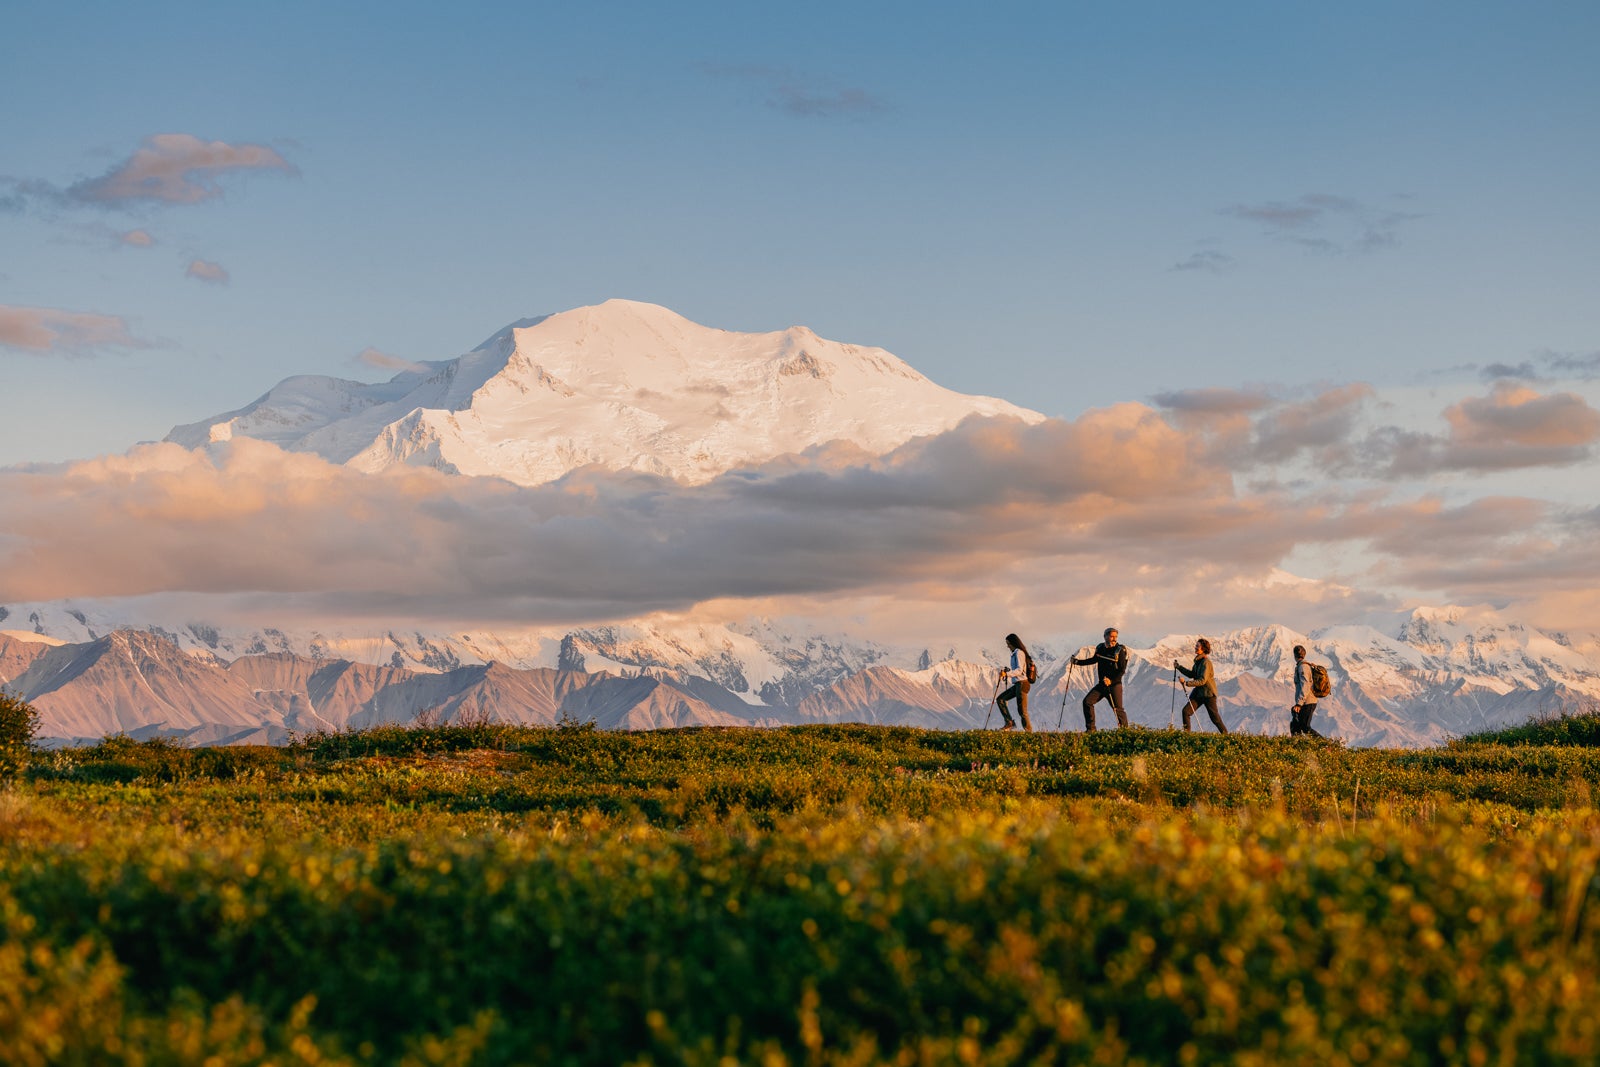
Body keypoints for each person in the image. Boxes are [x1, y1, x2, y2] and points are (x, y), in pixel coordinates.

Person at [1072, 627, 1129, 730]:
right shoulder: (1100, 648)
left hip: (1114, 686)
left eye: (1115, 637)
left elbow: (1122, 670)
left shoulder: (1119, 651)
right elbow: (1093, 660)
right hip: (1102, 684)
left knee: (1118, 709)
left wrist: (1111, 680)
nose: (1114, 639)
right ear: (1105, 636)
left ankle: (1125, 731)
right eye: (1112, 636)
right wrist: (1077, 662)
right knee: (1087, 702)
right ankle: (1091, 729)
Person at [1174, 637, 1227, 733]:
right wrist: (1179, 667)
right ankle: (1186, 737)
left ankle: (1227, 736)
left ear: (1203, 649)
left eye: (1197, 646)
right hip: (1199, 693)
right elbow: (1192, 674)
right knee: (1186, 712)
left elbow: (1202, 680)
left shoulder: (1206, 663)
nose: (1195, 647)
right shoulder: (1198, 663)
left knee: (1215, 718)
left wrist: (1186, 683)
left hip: (1208, 694)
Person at [995, 633, 1034, 732]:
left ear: (1012, 643)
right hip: (1018, 684)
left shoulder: (1018, 653)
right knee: (1000, 699)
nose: (1007, 646)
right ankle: (1009, 723)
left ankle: (1028, 732)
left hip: (1022, 683)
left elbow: (1019, 670)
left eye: (1008, 643)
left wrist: (1006, 674)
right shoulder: (1015, 653)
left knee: (1022, 710)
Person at [1291, 644, 1324, 737]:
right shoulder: (1303, 666)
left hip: (1307, 702)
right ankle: (1295, 746)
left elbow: (1305, 684)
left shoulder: (1303, 667)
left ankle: (1326, 745)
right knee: (1296, 725)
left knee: (1305, 727)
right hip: (1306, 701)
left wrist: (1299, 703)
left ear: (1294, 655)